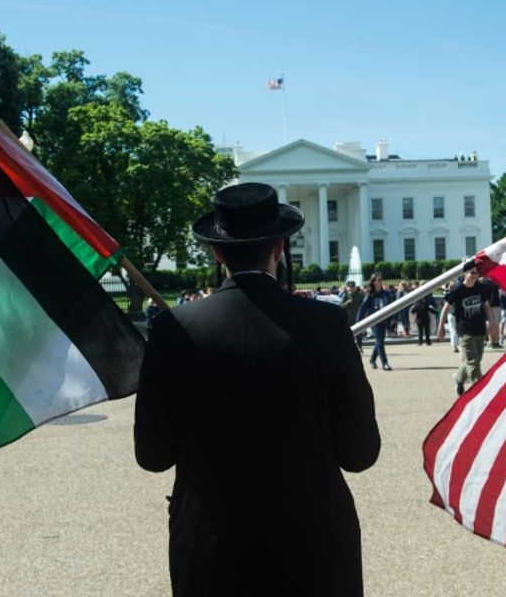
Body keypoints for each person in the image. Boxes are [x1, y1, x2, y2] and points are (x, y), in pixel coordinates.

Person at [135, 183, 380, 595]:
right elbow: (360, 452)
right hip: (312, 544)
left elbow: (153, 455)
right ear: (280, 247)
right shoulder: (326, 325)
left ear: (217, 252)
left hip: (210, 542)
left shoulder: (172, 331)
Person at [437, 268, 493, 396]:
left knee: (475, 360)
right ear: (465, 274)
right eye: (472, 273)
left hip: (480, 330)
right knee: (473, 364)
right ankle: (480, 393)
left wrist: (492, 323)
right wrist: (441, 327)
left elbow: (486, 306)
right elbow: (446, 308)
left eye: (477, 273)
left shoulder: (481, 287)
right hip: (465, 331)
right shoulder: (458, 290)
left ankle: (458, 378)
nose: (475, 275)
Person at [357, 273, 396, 370]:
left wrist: (393, 319)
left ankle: (372, 359)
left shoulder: (386, 294)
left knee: (380, 341)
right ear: (373, 282)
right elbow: (363, 308)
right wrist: (359, 320)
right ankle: (385, 363)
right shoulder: (370, 294)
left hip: (384, 320)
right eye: (378, 280)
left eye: (381, 279)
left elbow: (392, 307)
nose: (380, 281)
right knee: (380, 341)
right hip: (374, 321)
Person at [340, 281, 365, 352]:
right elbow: (341, 306)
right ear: (347, 287)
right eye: (350, 286)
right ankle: (350, 348)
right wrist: (347, 303)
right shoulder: (345, 296)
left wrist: (364, 315)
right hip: (348, 318)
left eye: (353, 286)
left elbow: (363, 306)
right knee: (349, 334)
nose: (351, 288)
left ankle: (359, 346)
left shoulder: (360, 295)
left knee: (359, 333)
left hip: (357, 317)